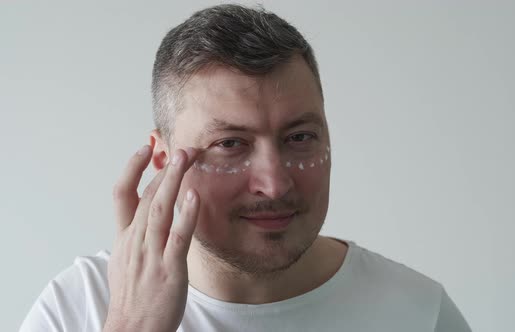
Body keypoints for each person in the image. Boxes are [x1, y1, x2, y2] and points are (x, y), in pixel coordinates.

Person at [20, 4, 472, 331]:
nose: (274, 183)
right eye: (230, 144)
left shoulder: (417, 313)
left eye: (299, 138)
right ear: (162, 162)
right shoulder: (76, 307)